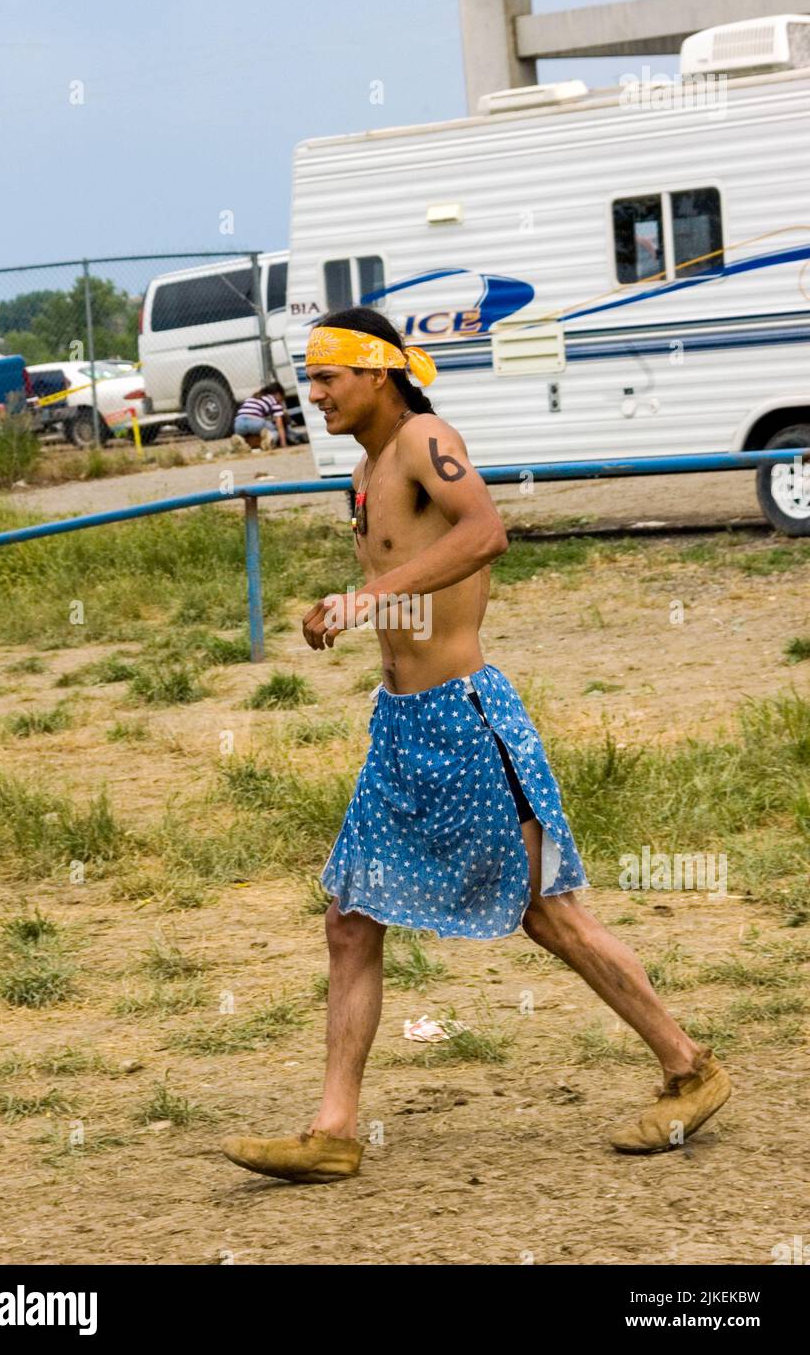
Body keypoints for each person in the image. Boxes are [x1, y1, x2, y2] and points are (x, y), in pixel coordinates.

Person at [221, 306, 731, 1184]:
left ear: (377, 373)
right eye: (309, 379)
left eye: (327, 377)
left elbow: (484, 532)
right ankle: (335, 1129)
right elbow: (408, 565)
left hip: (465, 721)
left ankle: (690, 1067)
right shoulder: (368, 464)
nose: (314, 395)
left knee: (546, 911)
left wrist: (369, 600)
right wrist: (350, 601)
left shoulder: (425, 440)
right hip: (401, 726)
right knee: (350, 920)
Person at [233, 381, 288, 449]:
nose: (281, 402)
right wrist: (283, 443)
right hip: (254, 422)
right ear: (278, 394)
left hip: (238, 423)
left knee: (251, 434)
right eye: (282, 399)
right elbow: (279, 425)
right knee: (274, 430)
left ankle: (241, 441)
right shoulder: (274, 401)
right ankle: (269, 440)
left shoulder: (254, 396)